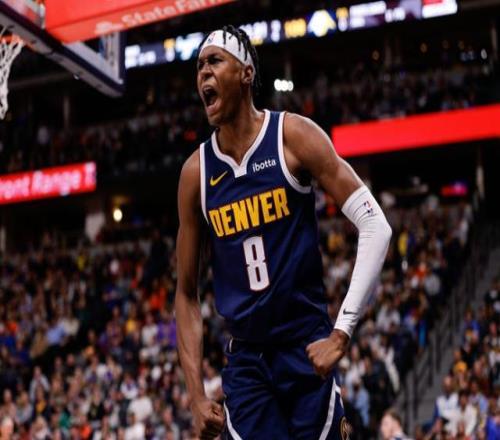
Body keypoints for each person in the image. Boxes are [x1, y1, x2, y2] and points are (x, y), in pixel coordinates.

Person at [175, 25, 392, 439]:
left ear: (246, 73)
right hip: (247, 362)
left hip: (304, 345)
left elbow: (375, 225)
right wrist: (195, 396)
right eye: (199, 65)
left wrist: (341, 333)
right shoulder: (195, 173)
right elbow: (185, 293)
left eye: (215, 61)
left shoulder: (292, 136)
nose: (203, 72)